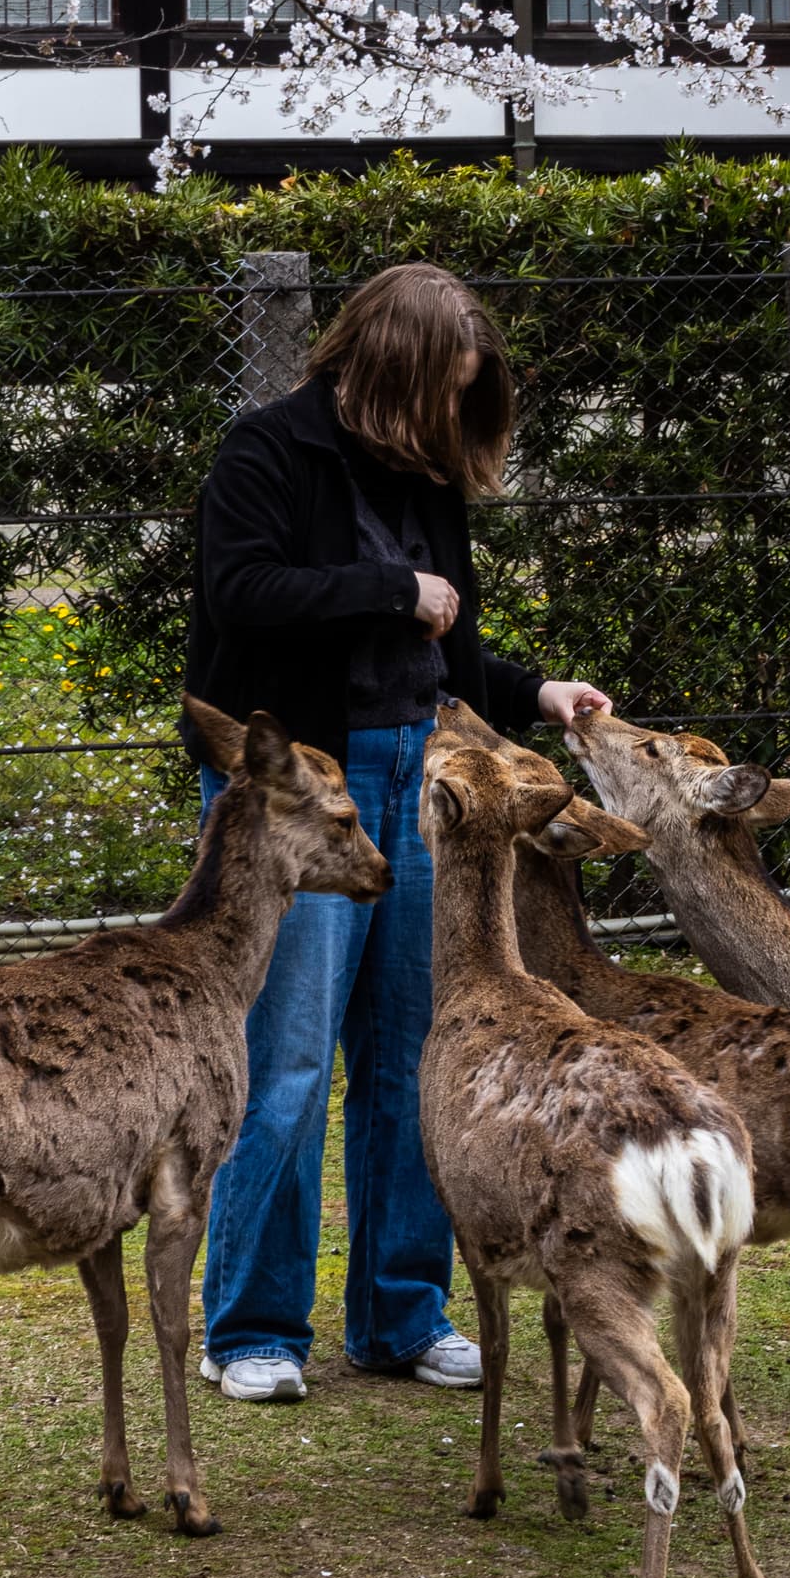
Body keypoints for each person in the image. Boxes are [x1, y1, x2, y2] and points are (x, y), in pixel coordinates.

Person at [182, 260, 608, 1401]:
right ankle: (253, 1329)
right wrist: (388, 588)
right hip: (300, 803)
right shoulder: (265, 450)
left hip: (425, 782)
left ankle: (400, 1317)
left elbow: (446, 649)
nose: (453, 416)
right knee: (285, 1060)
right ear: (392, 365)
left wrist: (533, 695)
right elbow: (243, 594)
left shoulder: (422, 476)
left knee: (415, 1057)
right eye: (445, 388)